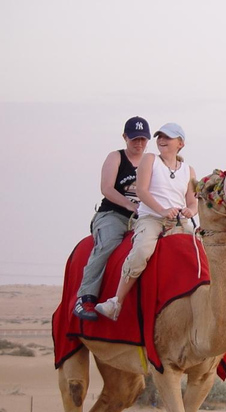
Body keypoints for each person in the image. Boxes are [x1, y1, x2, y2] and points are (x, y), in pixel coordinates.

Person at [95, 123, 197, 321]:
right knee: (142, 251)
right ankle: (116, 301)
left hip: (178, 222)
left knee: (202, 254)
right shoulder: (150, 159)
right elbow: (142, 191)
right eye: (160, 137)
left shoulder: (189, 170)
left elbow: (193, 202)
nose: (162, 140)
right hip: (151, 218)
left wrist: (189, 210)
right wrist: (162, 210)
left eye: (168, 137)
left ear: (180, 144)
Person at [73, 116, 151, 321]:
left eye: (143, 139)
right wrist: (129, 205)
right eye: (135, 139)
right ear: (125, 137)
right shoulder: (116, 157)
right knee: (108, 243)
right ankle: (85, 297)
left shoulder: (152, 162)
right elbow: (106, 188)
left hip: (144, 217)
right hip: (114, 214)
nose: (139, 143)